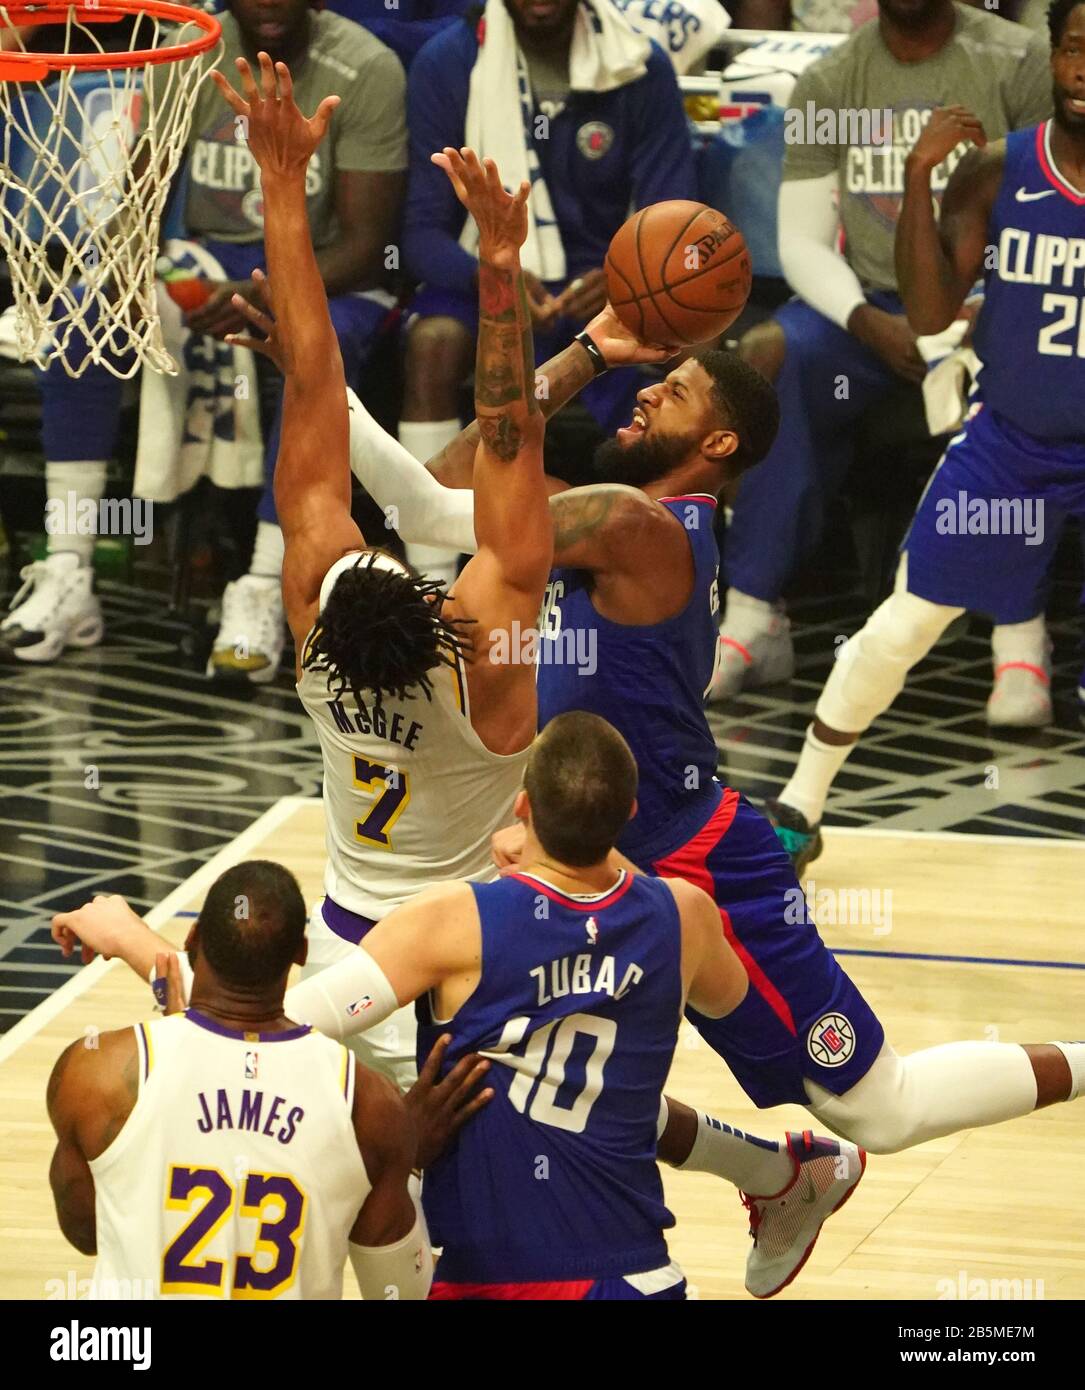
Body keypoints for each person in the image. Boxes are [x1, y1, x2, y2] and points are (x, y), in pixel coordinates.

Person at [330, 293, 1085, 1253]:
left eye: (674, 392)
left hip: (695, 865)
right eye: (654, 379)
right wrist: (590, 354)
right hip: (578, 864)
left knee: (880, 1109)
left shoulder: (639, 527)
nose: (648, 394)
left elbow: (428, 507)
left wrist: (325, 384)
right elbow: (461, 474)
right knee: (527, 1083)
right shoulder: (611, 517)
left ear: (718, 443)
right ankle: (780, 1173)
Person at [54, 713, 854, 1301]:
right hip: (637, 1275)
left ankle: (778, 1166)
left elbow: (268, 1021)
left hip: (496, 1273)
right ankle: (779, 1164)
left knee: (520, 1086)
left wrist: (138, 943)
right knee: (575, 1088)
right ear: (631, 816)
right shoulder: (683, 916)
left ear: (520, 807)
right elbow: (730, 1012)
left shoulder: (452, 922)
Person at [765, 0, 1085, 870]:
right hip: (1010, 444)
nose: (1080, 68)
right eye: (1069, 49)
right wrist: (914, 183)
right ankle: (800, 802)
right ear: (1051, 56)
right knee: (900, 626)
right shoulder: (993, 173)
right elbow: (934, 313)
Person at [2, 0, 406, 685]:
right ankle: (69, 566)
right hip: (203, 268)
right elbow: (138, 199)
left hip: (326, 278)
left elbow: (367, 248)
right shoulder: (191, 48)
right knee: (80, 319)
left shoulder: (365, 66)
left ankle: (263, 585)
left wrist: (270, 294)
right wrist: (137, 274)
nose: (270, 4)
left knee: (318, 347)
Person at [708, 0, 1055, 729]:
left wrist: (974, 311)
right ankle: (752, 617)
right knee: (774, 353)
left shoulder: (1017, 59)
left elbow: (1045, 205)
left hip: (994, 294)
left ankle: (1018, 638)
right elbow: (800, 239)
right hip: (868, 305)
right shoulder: (831, 76)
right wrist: (868, 323)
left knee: (1026, 375)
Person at [397, 0, 698, 585]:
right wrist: (493, 274)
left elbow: (678, 210)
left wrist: (625, 278)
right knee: (432, 344)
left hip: (610, 285)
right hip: (483, 277)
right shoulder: (448, 63)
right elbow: (419, 234)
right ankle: (428, 579)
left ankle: (669, 568)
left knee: (687, 365)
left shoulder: (640, 64)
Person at [45, 860, 433, 1300]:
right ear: (301, 953)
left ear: (191, 939)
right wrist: (411, 1162)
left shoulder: (97, 1074)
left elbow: (86, 1234)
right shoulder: (369, 1105)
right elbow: (399, 1291)